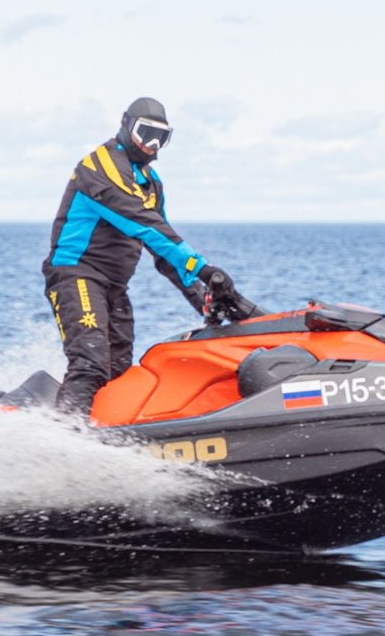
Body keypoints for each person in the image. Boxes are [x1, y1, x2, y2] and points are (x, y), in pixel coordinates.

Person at [42, 97, 259, 415]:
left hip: (113, 286)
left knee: (118, 369)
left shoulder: (150, 183)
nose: (152, 145)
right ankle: (60, 442)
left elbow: (163, 250)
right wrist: (204, 269)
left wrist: (202, 298)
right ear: (125, 125)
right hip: (77, 276)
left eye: (162, 137)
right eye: (146, 133)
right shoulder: (99, 168)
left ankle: (106, 432)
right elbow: (146, 226)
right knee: (91, 362)